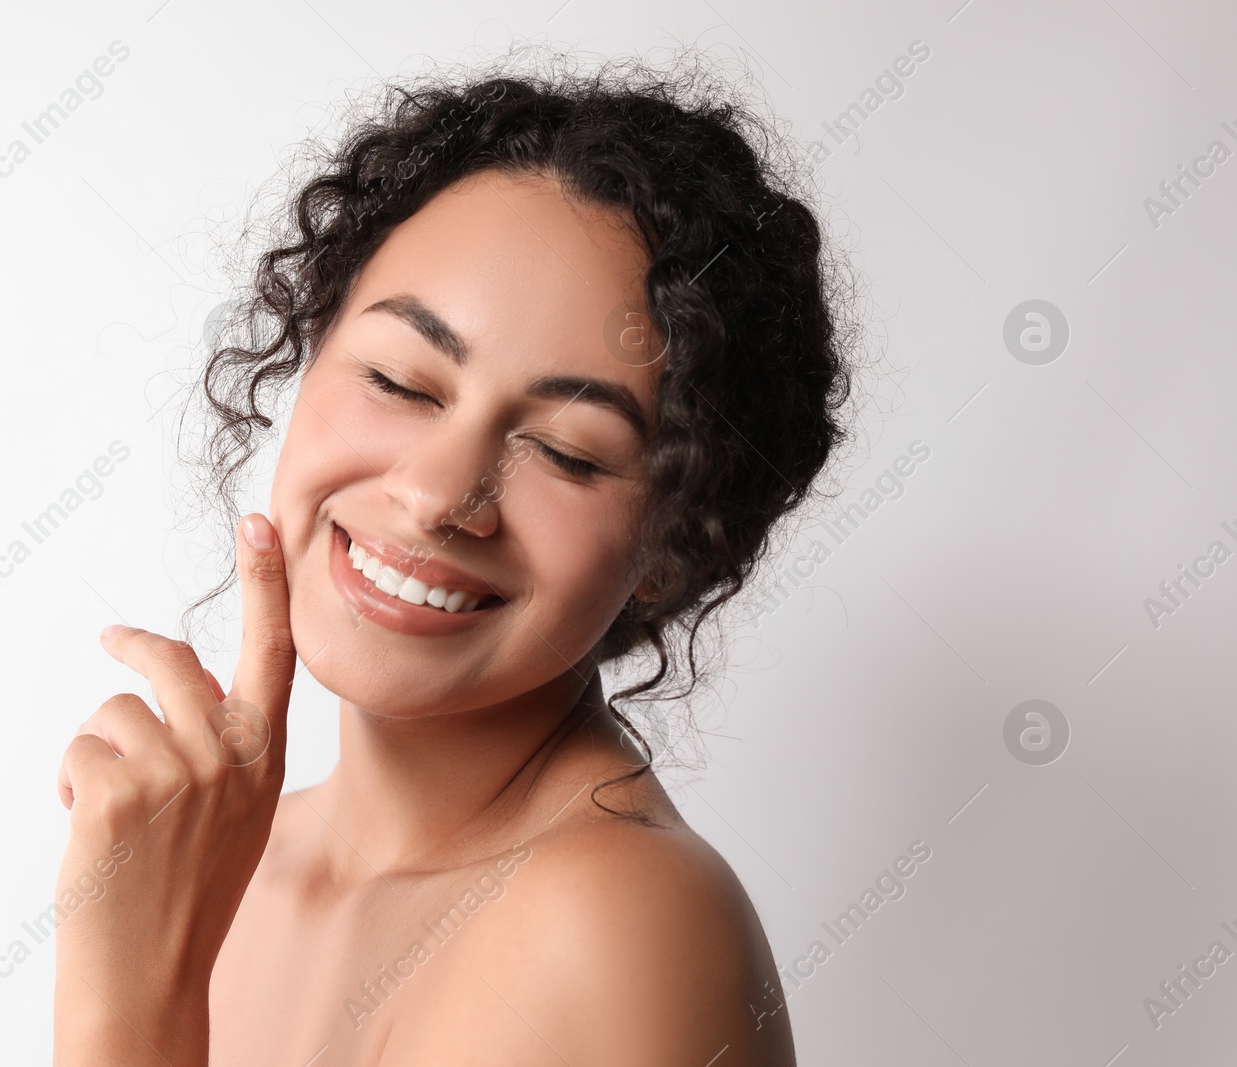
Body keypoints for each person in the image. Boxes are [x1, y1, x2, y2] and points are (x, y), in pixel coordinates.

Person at [52, 48, 858, 1066]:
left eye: (566, 450)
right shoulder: (221, 861)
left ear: (678, 540)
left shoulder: (619, 922)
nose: (438, 494)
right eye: (401, 380)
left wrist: (124, 1006)